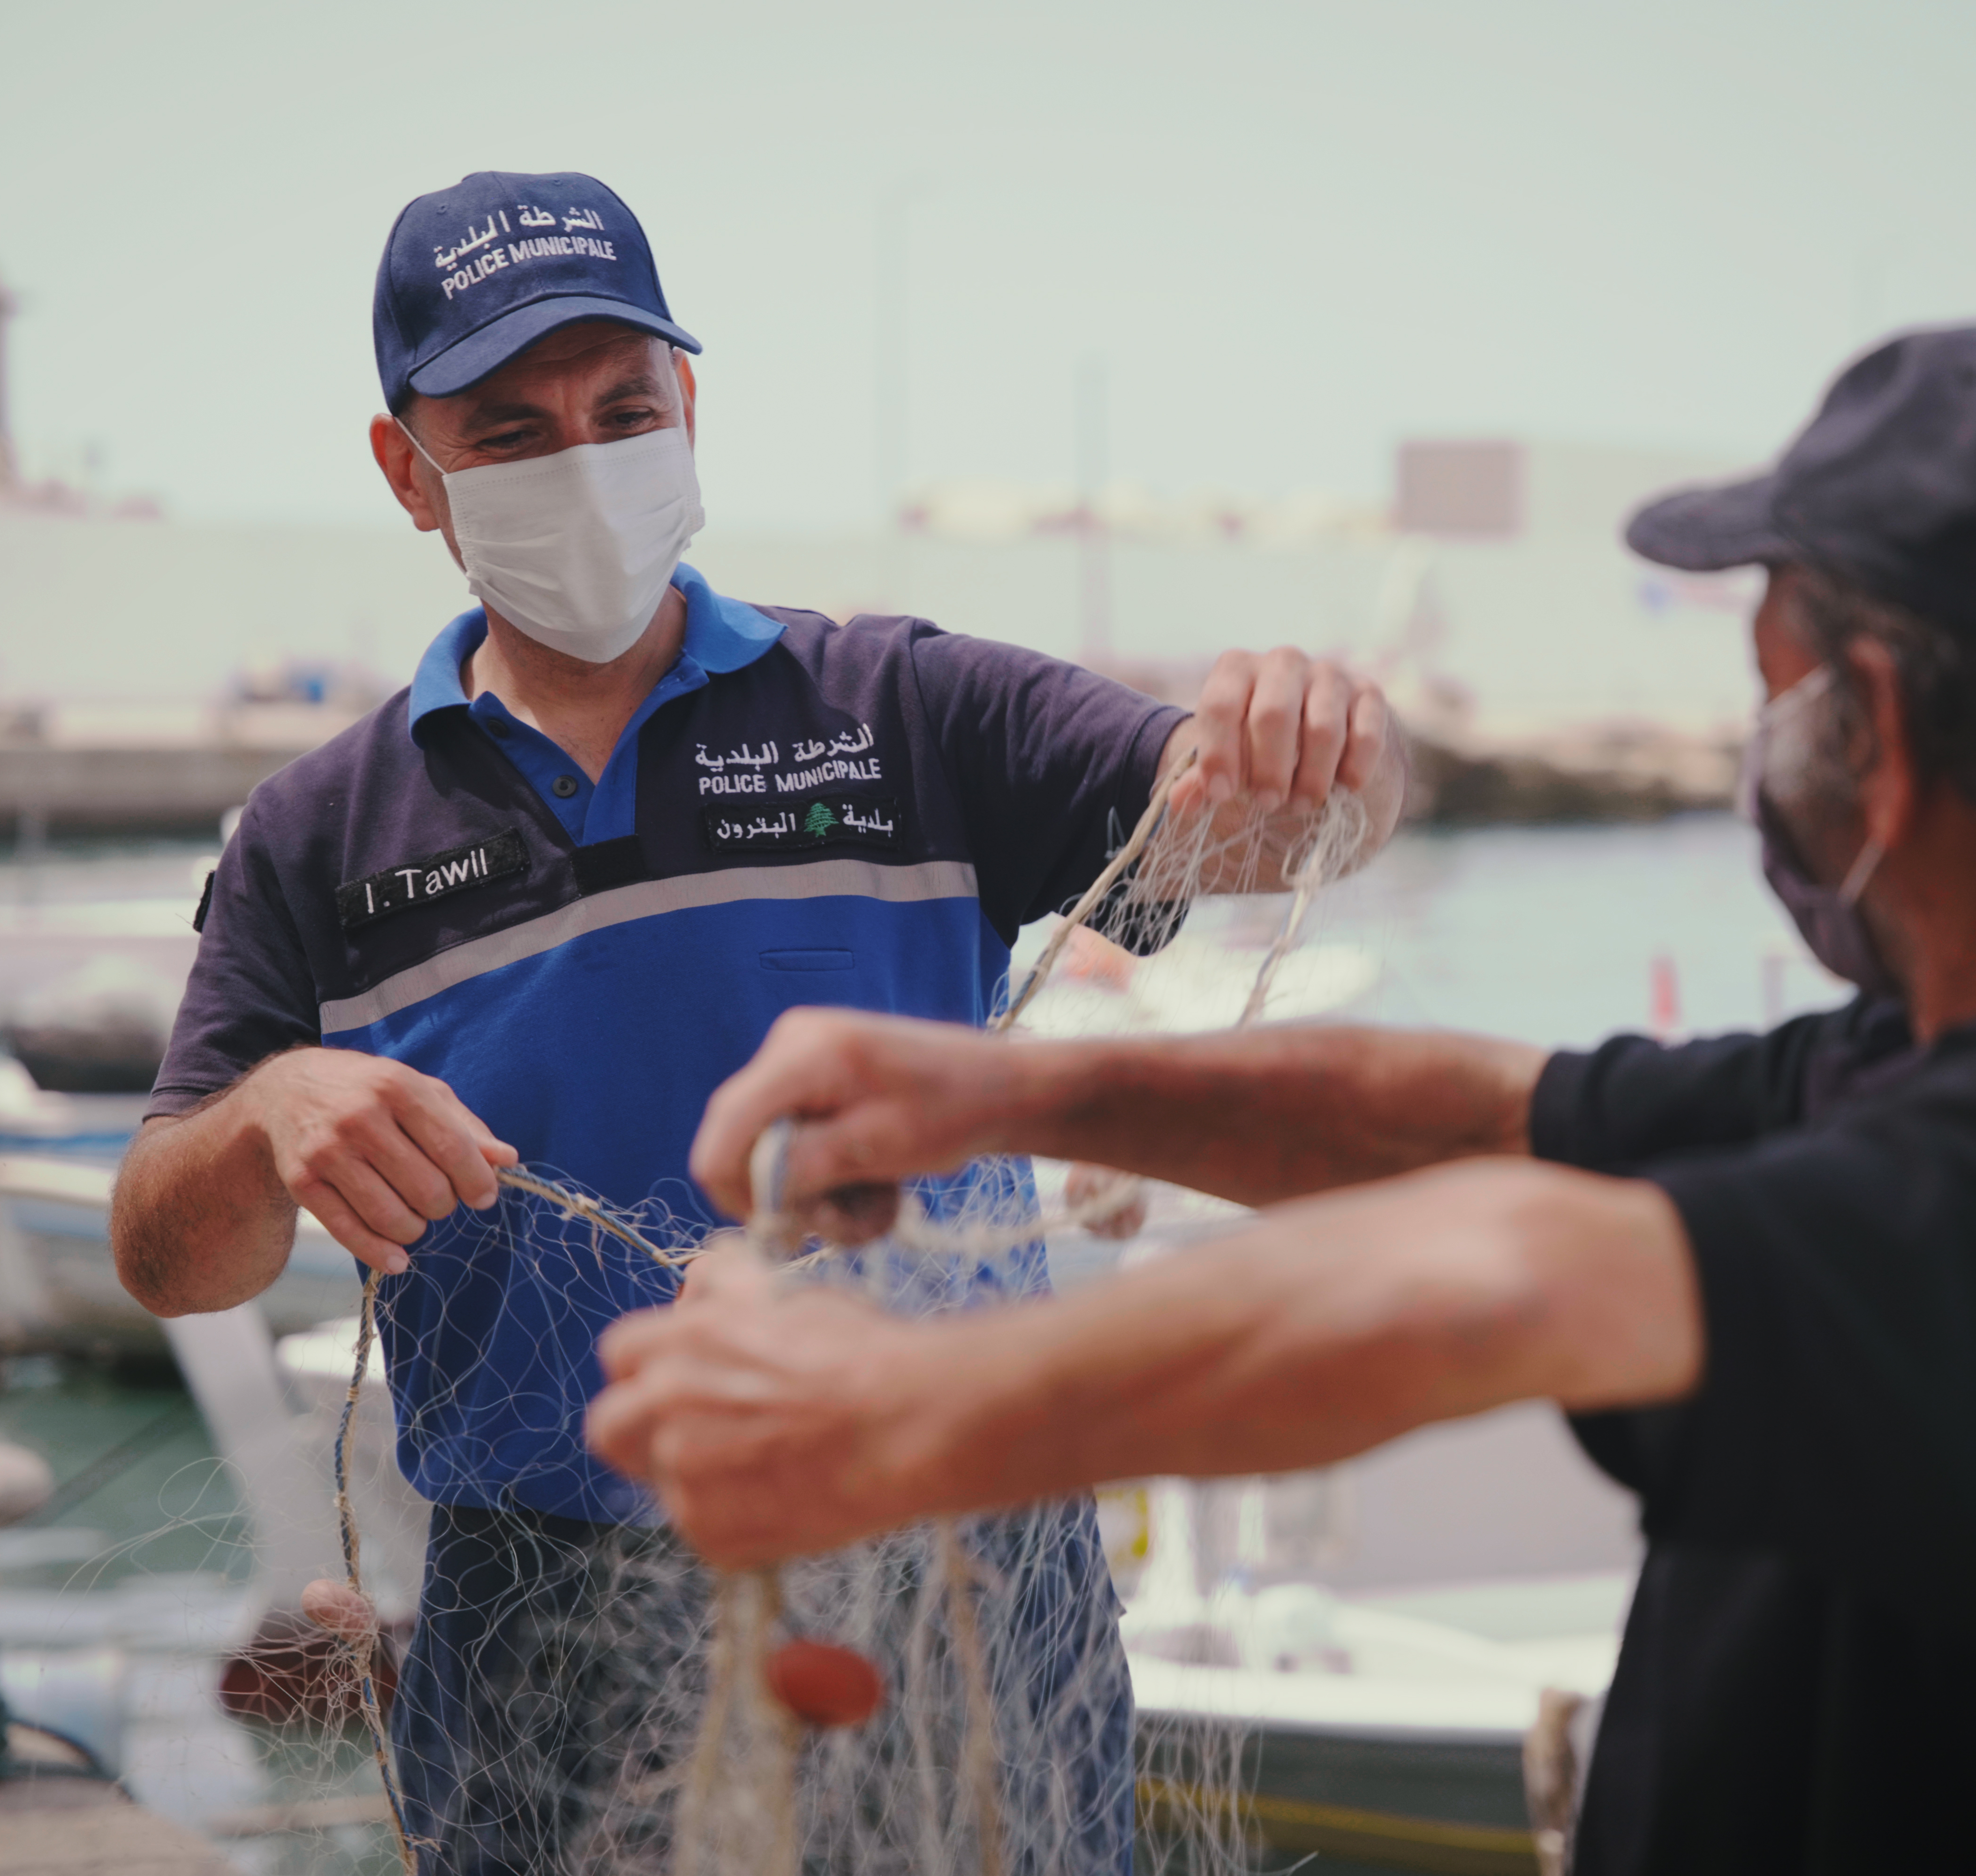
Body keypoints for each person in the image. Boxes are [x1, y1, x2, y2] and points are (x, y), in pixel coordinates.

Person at [590, 321, 1976, 1873]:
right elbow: (1487, 1124)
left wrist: (908, 1412)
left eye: (1771, 684)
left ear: (1877, 735)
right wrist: (996, 1095)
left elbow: (1520, 1274)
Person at [107, 168, 1404, 1872]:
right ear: (405, 472)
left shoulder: (908, 706)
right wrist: (275, 1110)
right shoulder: (314, 836)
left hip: (958, 1565)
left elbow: (1254, 823)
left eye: (622, 409)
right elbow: (168, 1256)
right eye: (511, 433)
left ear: (690, 410)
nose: (584, 461)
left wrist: (1323, 746)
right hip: (542, 1607)